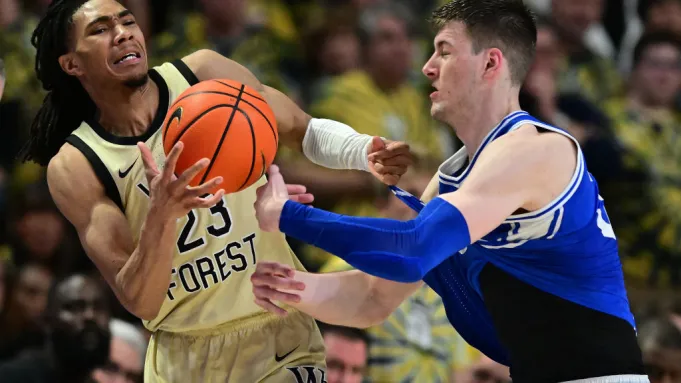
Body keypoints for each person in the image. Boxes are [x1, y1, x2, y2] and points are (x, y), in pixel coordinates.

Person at [251, 0, 647, 382]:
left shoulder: (534, 150)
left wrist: (289, 215)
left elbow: (412, 248)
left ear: (490, 63)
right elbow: (373, 296)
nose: (426, 67)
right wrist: (293, 286)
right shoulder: (453, 179)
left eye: (444, 52)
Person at [20, 0, 412, 382]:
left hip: (276, 328)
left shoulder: (203, 74)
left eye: (127, 22)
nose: (122, 34)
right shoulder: (78, 165)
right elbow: (139, 299)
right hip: (182, 354)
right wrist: (162, 213)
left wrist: (362, 151)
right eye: (101, 30)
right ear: (72, 64)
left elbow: (300, 127)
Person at [0, 273, 111, 383]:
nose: (90, 316)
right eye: (76, 307)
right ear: (48, 320)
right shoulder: (11, 376)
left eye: (99, 307)